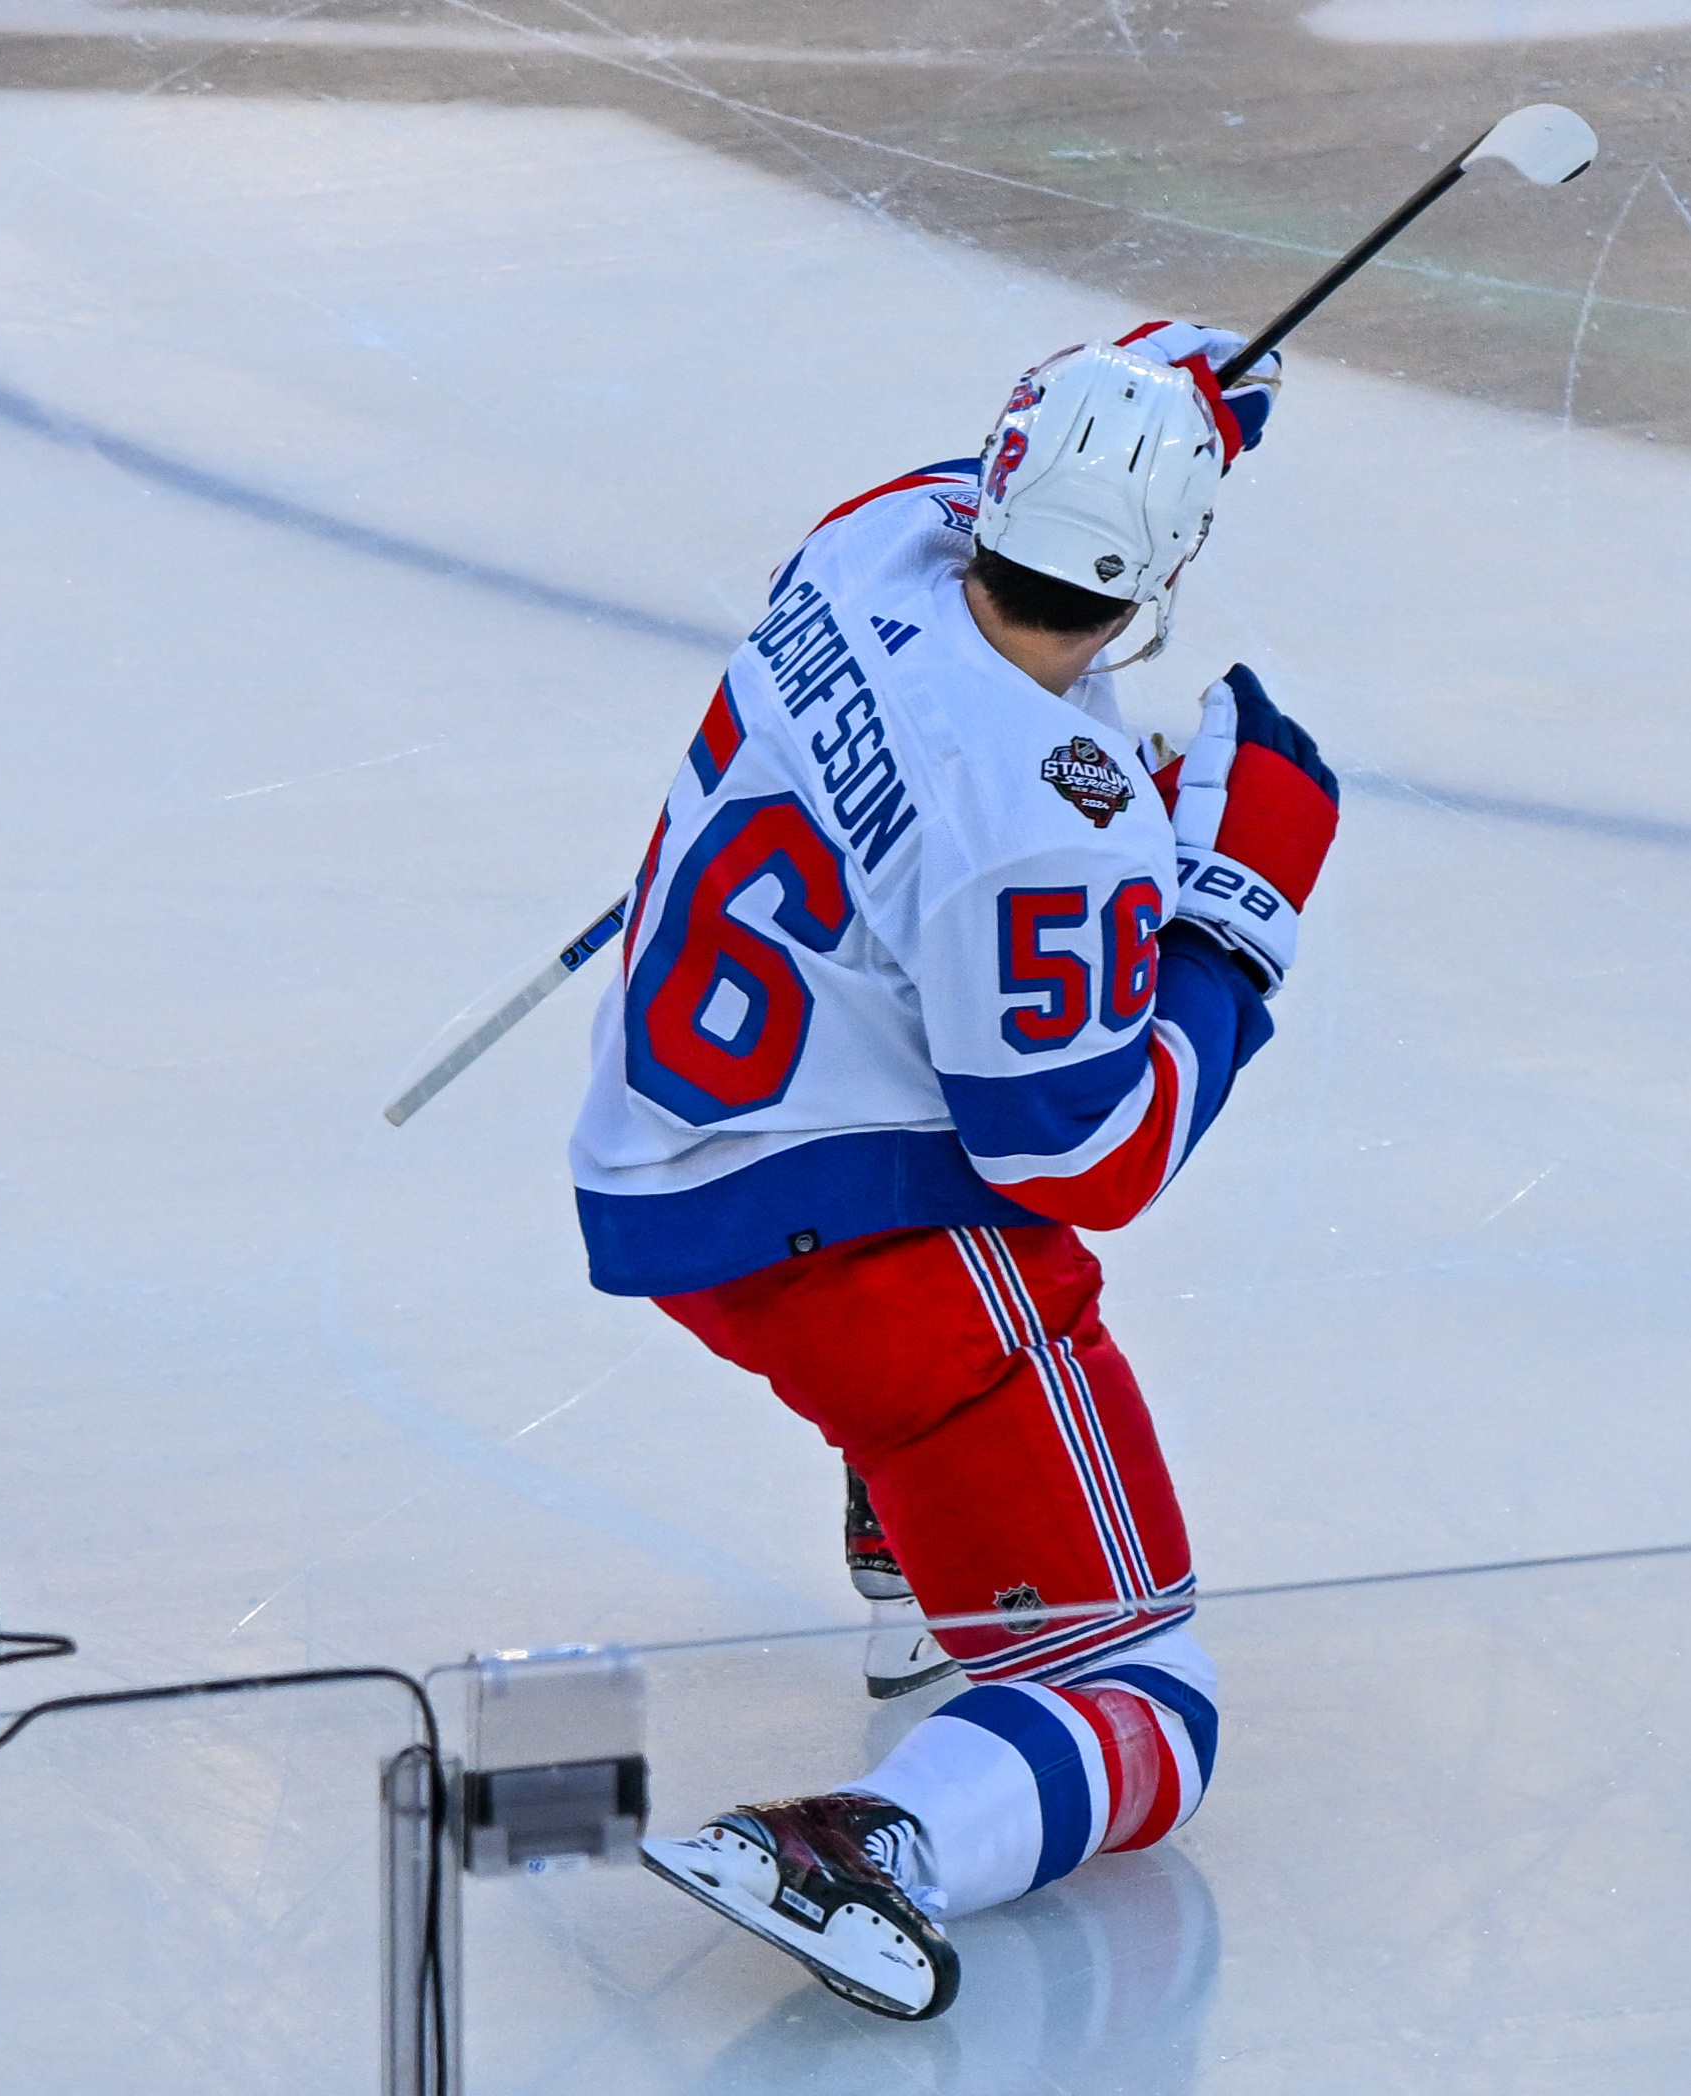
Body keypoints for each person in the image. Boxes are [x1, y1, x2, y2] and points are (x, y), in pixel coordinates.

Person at [566, 321, 1339, 2020]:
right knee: (1146, 1695)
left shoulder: (869, 538)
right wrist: (1237, 920)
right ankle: (863, 1846)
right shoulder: (1045, 822)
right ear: (1165, 572)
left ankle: (924, 1559)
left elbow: (1018, 450)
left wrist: (1157, 391)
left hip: (666, 1174)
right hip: (870, 1257)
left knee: (922, 1356)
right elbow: (1085, 1149)